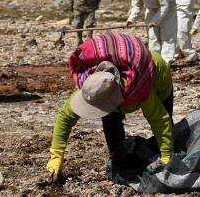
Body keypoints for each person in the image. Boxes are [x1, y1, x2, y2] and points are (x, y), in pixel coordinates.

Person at [46, 33, 174, 182]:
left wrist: (166, 157)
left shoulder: (140, 90)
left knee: (169, 133)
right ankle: (120, 162)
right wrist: (56, 156)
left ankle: (166, 154)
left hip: (158, 78)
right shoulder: (93, 86)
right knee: (110, 120)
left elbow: (160, 120)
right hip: (115, 92)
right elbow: (64, 117)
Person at [126, 0, 177, 64]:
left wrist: (155, 21)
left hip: (168, 10)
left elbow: (165, 6)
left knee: (167, 36)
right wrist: (131, 19)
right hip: (151, 10)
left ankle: (166, 62)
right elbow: (137, 6)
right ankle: (155, 61)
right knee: (152, 37)